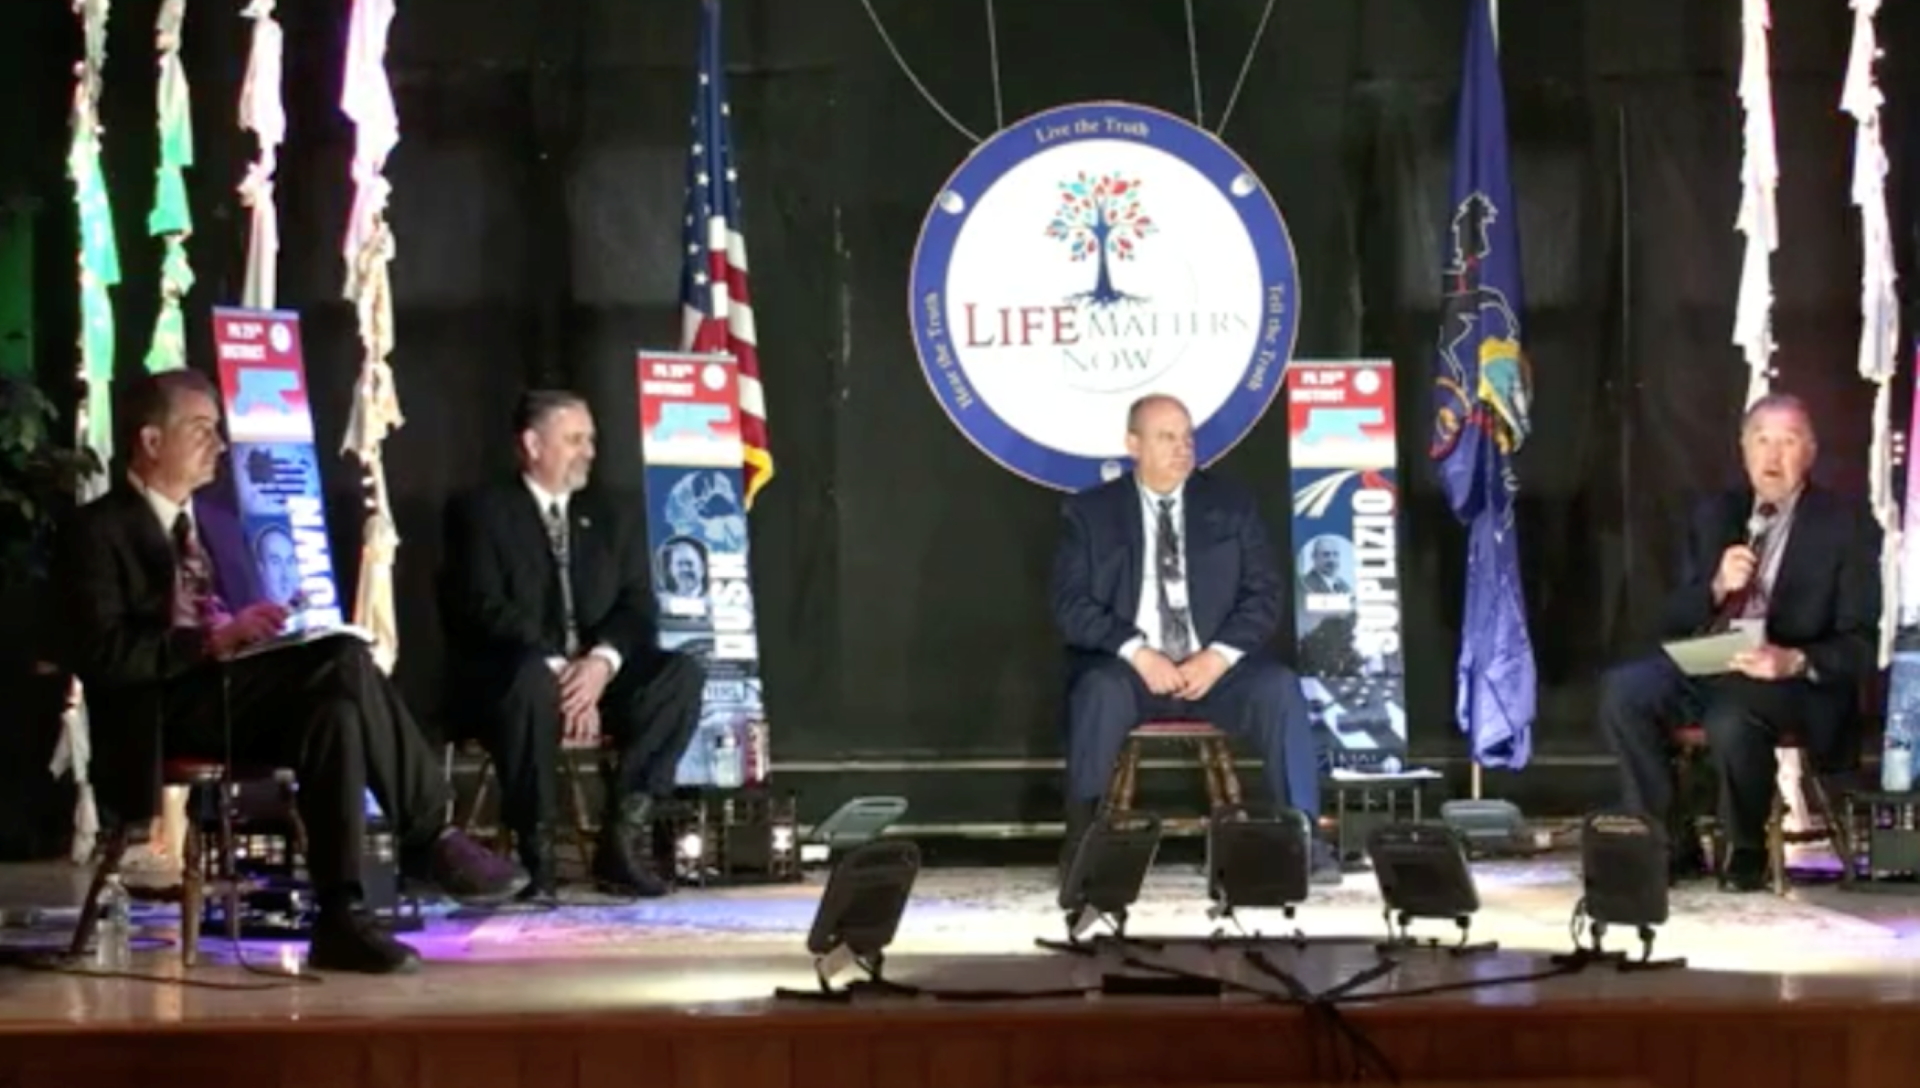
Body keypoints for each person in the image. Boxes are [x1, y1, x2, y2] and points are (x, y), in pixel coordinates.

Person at [53, 369, 520, 975]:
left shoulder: (215, 525)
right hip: (159, 708)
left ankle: (341, 917)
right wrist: (210, 639)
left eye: (219, 431)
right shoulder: (96, 531)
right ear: (150, 441)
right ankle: (431, 836)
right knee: (344, 664)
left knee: (336, 708)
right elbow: (103, 655)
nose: (219, 445)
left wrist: (263, 626)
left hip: (236, 693)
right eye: (201, 431)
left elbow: (237, 624)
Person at [1597, 393, 1880, 891]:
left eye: (1787, 442)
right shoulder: (1716, 513)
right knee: (1625, 692)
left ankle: (1744, 847)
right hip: (1715, 659)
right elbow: (1670, 616)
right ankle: (1666, 844)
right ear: (1744, 449)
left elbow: (1860, 641)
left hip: (1790, 680)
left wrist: (1792, 660)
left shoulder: (1844, 524)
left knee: (1734, 713)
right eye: (1761, 440)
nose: (1773, 456)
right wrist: (1715, 587)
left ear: (1809, 452)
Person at [1050, 394, 1337, 880]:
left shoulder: (1230, 505)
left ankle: (1303, 841)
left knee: (1279, 688)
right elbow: (1070, 604)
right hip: (1131, 674)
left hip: (1215, 673)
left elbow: (1264, 594)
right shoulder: (1090, 514)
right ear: (1132, 444)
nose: (1183, 449)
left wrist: (1218, 657)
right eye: (1167, 438)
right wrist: (1138, 653)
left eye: (1187, 437)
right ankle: (1085, 849)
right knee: (1097, 691)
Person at [440, 390, 705, 900]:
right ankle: (536, 855)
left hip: (592, 675)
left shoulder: (611, 513)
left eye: (591, 439)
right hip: (512, 677)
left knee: (678, 675)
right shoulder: (481, 511)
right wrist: (563, 670)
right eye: (575, 439)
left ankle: (622, 840)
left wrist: (601, 664)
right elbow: (482, 607)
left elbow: (637, 606)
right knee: (529, 682)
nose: (588, 451)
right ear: (533, 444)